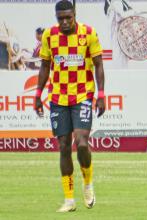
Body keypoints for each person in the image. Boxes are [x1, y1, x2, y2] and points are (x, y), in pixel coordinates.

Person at [34, 0, 105, 213]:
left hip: (83, 94)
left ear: (74, 15)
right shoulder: (49, 35)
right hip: (58, 97)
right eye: (60, 18)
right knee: (64, 146)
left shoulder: (89, 33)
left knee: (82, 143)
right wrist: (38, 94)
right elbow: (45, 66)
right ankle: (69, 200)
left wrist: (101, 94)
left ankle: (88, 182)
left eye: (68, 18)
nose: (64, 22)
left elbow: (99, 64)